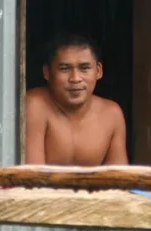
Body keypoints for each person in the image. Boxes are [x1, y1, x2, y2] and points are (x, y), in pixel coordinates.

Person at [24, 34, 128, 166]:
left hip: (93, 187)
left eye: (84, 68)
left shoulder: (111, 114)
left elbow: (118, 180)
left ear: (98, 71)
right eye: (65, 68)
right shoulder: (36, 105)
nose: (75, 78)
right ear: (47, 72)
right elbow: (32, 179)